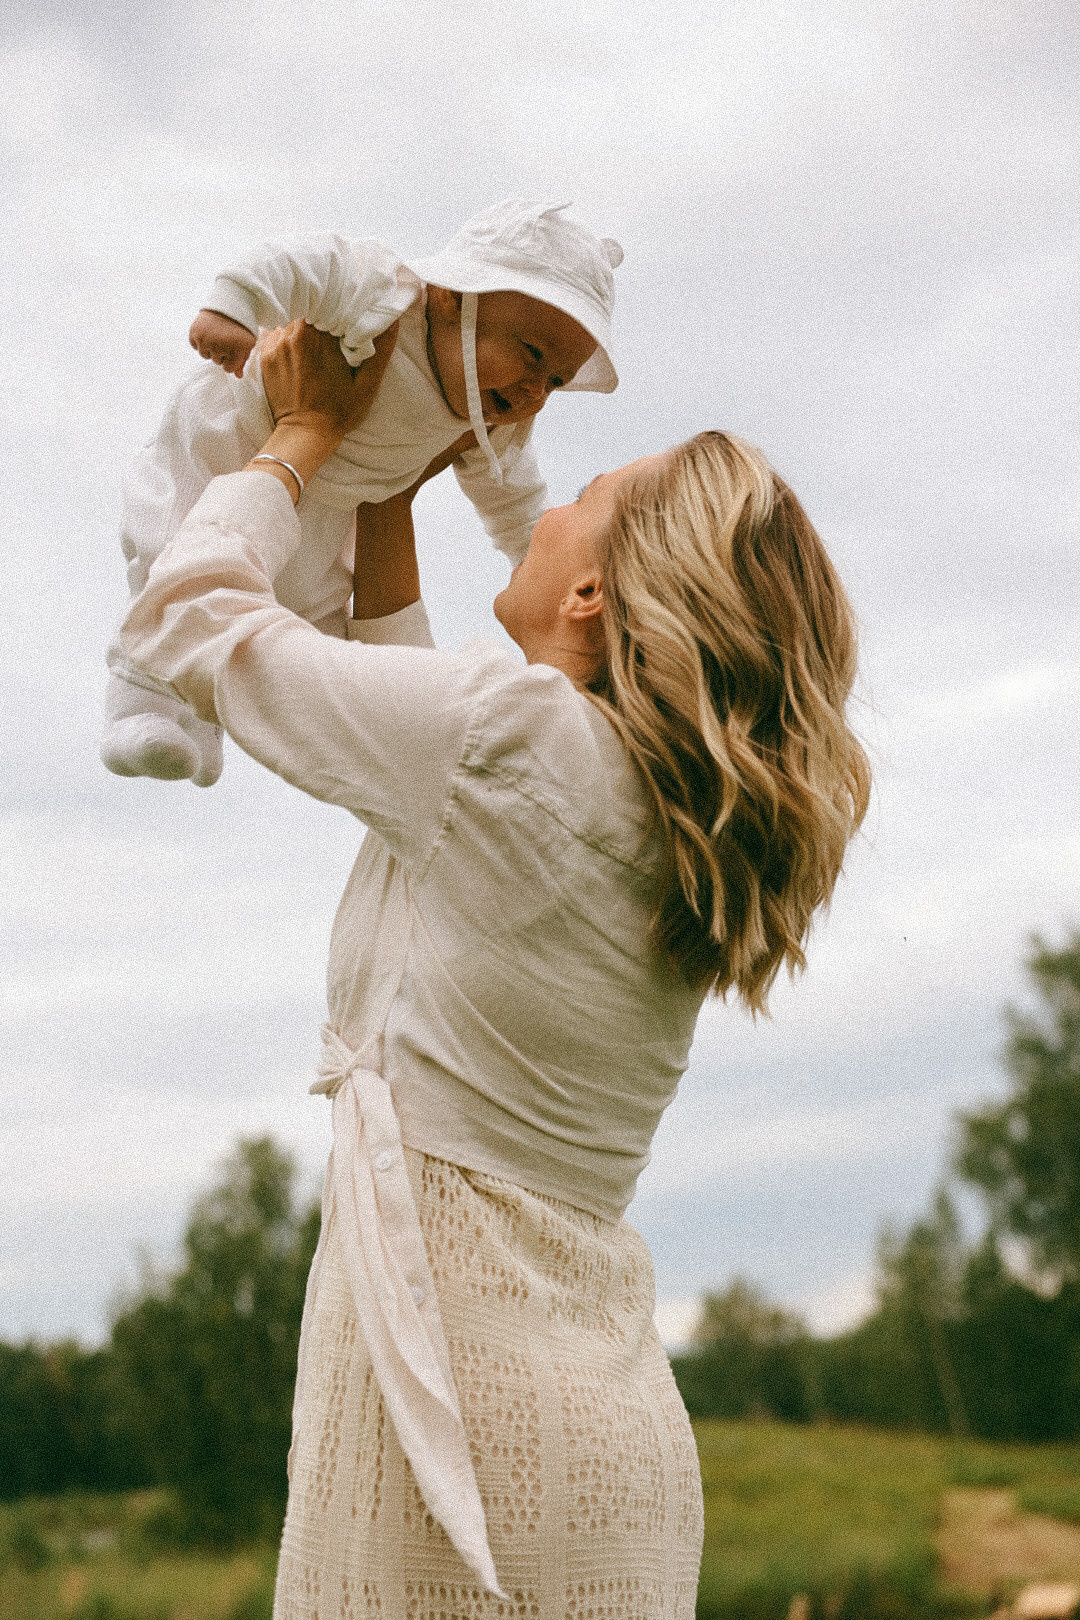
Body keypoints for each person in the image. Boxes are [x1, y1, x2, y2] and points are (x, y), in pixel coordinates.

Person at [114, 320, 871, 1618]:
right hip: (597, 1437)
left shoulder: (514, 746)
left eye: (581, 499)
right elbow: (423, 761)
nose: (548, 502)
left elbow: (184, 620)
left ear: (591, 599)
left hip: (456, 1428)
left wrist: (299, 440)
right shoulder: (622, 800)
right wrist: (388, 485)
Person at [103, 199, 620, 787]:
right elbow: (303, 264)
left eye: (555, 379)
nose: (536, 390)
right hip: (231, 450)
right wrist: (236, 305)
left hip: (323, 516)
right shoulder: (386, 299)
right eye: (531, 354)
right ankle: (144, 701)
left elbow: (516, 504)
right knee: (177, 558)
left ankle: (216, 714)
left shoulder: (495, 424)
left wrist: (537, 562)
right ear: (454, 297)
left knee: (314, 633)